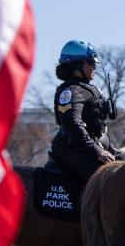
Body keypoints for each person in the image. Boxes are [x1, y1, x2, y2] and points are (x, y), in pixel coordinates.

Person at [50, 39, 120, 183]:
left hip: (88, 147)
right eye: (92, 63)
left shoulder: (86, 89)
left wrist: (111, 149)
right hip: (72, 149)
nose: (94, 67)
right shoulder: (72, 91)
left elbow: (97, 129)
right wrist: (98, 151)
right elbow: (72, 124)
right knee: (105, 180)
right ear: (80, 65)